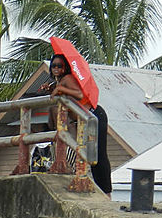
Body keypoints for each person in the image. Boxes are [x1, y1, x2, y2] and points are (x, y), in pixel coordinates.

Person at [44, 54, 112, 194]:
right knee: (89, 155)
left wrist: (61, 89)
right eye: (53, 66)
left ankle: (106, 192)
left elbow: (79, 94)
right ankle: (100, 189)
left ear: (65, 68)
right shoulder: (59, 81)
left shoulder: (68, 79)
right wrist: (52, 90)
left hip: (94, 115)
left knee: (98, 156)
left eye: (59, 66)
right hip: (83, 120)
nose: (56, 68)